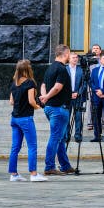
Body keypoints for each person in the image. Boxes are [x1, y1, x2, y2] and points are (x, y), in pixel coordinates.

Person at [37, 45, 75, 175]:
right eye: (69, 54)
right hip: (58, 109)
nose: (70, 57)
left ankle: (65, 165)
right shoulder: (61, 69)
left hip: (51, 107)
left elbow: (43, 85)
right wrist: (46, 97)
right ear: (65, 55)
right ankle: (49, 167)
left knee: (60, 137)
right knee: (55, 137)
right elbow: (58, 87)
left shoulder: (50, 68)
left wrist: (44, 97)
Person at [9, 60, 47, 182]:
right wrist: (38, 106)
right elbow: (31, 101)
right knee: (32, 146)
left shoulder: (14, 83)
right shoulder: (30, 83)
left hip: (14, 118)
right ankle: (33, 174)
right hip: (25, 118)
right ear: (27, 69)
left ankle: (14, 174)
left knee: (15, 147)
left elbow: (11, 102)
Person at [66, 52, 86, 143]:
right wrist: (69, 93)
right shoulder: (64, 69)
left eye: (76, 57)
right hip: (67, 97)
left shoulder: (81, 70)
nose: (75, 59)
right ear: (69, 59)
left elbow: (84, 83)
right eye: (73, 57)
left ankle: (78, 135)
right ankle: (66, 135)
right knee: (67, 117)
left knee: (78, 117)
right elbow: (62, 83)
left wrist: (78, 93)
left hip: (78, 97)